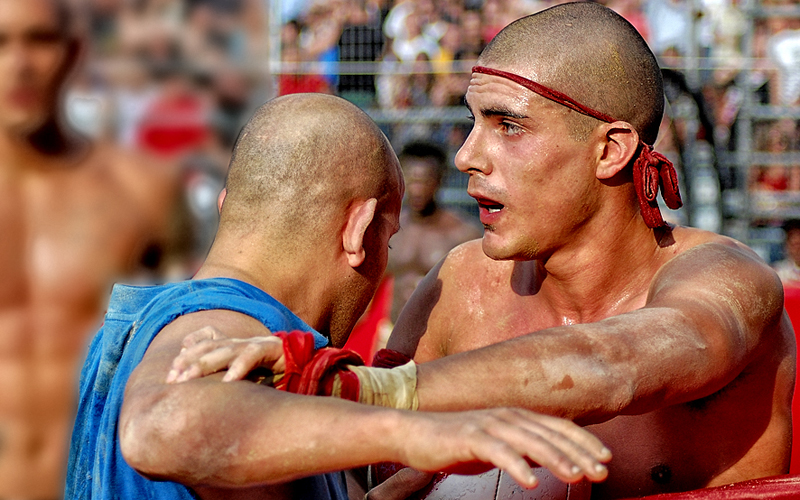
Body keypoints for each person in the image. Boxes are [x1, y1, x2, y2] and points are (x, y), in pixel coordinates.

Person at [169, 3, 795, 499]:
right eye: (471, 123)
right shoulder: (463, 283)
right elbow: (362, 478)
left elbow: (612, 363)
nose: (467, 155)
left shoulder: (728, 278)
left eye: (508, 125)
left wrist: (361, 391)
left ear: (611, 150)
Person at [65, 92, 612, 500]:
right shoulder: (232, 328)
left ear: (231, 205)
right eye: (387, 236)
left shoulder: (137, 325)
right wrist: (422, 431)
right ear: (359, 229)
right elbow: (165, 425)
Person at [0, 0, 191, 498]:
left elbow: (193, 352)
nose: (19, 63)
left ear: (75, 52)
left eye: (38, 40)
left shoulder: (143, 193)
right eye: (0, 43)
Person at [387, 140, 482, 324]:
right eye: (411, 180)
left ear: (439, 180)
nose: (417, 189)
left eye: (425, 181)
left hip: (438, 336)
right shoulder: (388, 230)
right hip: (389, 334)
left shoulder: (463, 234)